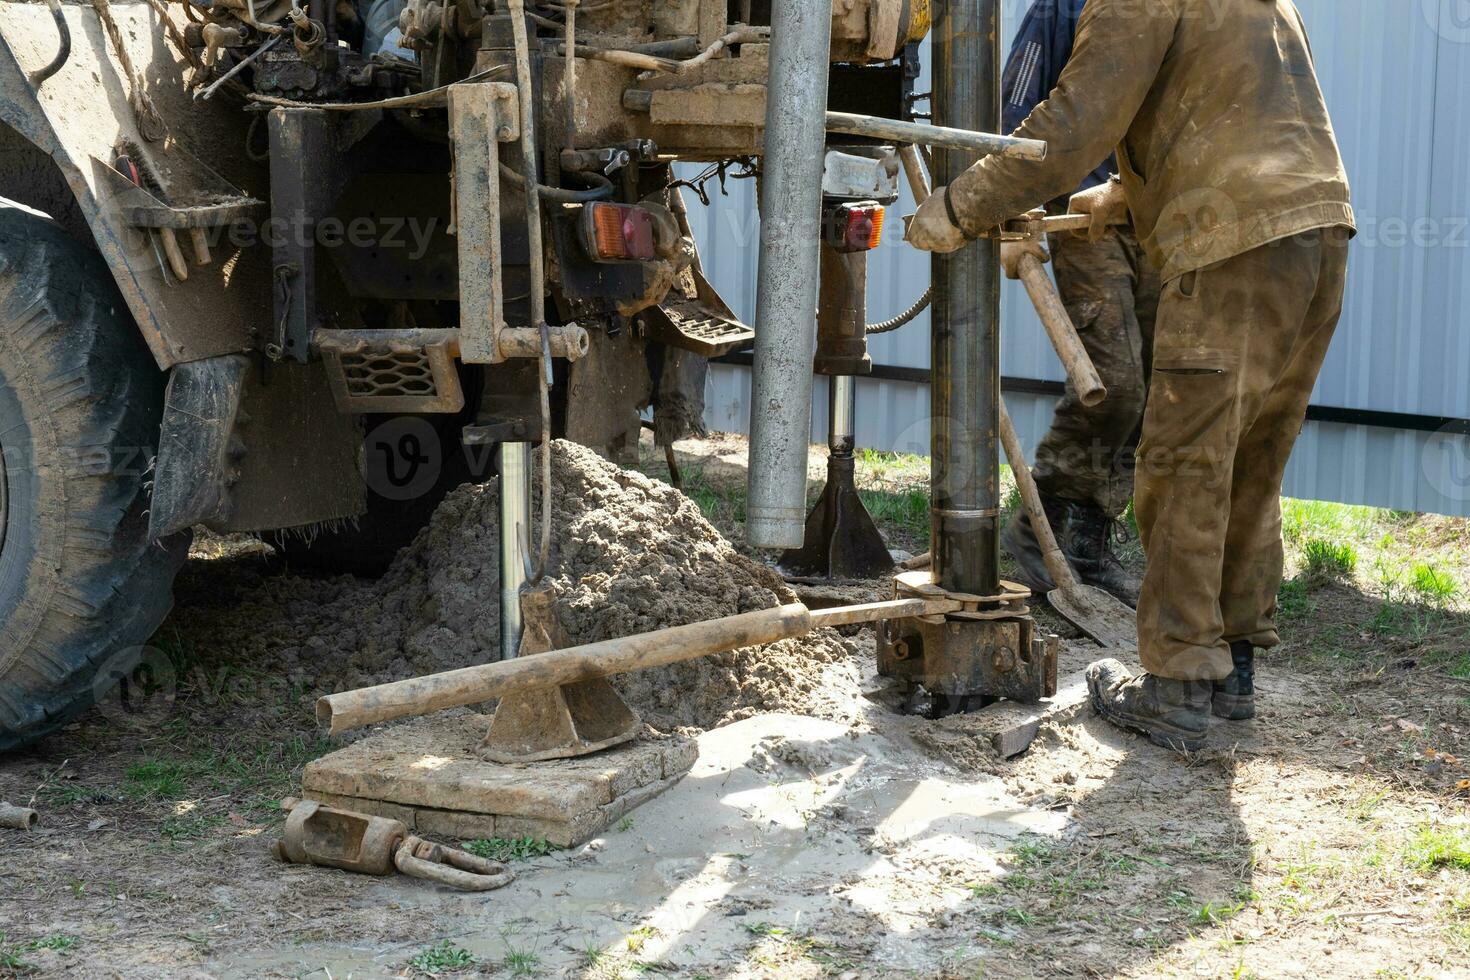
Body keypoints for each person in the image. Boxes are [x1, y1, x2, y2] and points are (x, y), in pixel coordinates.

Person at [907, 0, 1354, 751]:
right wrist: (1117, 198)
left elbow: (1074, 121)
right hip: (1315, 232)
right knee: (1249, 457)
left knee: (1184, 459)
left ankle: (1178, 683)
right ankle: (1231, 668)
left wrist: (959, 205)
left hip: (1229, 242)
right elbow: (1226, 109)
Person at [996, 0, 1161, 609]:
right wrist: (1012, 213)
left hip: (1158, 216)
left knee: (1151, 384)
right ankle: (1042, 523)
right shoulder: (1063, 7)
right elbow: (1017, 111)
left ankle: (1089, 541)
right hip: (1086, 220)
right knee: (1115, 381)